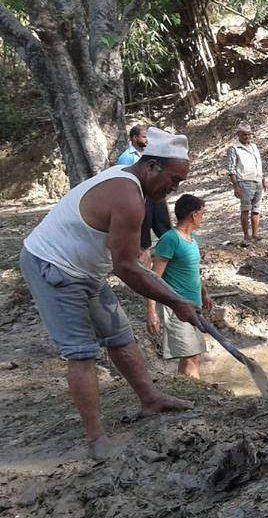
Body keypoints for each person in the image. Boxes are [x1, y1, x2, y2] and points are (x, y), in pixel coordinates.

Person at [19, 128, 198, 459]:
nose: (174, 189)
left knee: (120, 336)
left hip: (87, 268)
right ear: (152, 166)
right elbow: (126, 268)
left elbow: (128, 263)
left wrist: (174, 298)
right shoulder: (128, 198)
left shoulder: (130, 181)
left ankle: (151, 399)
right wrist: (175, 301)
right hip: (53, 266)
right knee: (81, 352)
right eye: (174, 180)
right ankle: (97, 440)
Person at [146, 194, 212, 379]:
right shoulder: (170, 239)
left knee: (194, 356)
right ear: (193, 215)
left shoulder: (192, 239)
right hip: (176, 309)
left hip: (194, 307)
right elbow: (153, 279)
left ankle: (186, 388)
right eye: (202, 213)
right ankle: (196, 392)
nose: (203, 217)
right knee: (190, 357)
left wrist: (205, 294)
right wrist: (151, 311)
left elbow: (194, 270)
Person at [117, 126, 173, 265]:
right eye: (143, 136)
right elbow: (124, 182)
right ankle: (145, 265)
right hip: (141, 200)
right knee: (144, 238)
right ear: (135, 138)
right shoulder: (126, 158)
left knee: (165, 229)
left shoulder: (150, 154)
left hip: (155, 196)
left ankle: (172, 259)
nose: (147, 140)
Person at [225, 122, 268, 242]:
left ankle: (255, 234)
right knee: (245, 209)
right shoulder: (234, 149)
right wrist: (236, 186)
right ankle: (246, 235)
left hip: (257, 180)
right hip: (245, 182)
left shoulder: (254, 147)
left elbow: (258, 165)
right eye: (244, 134)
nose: (247, 137)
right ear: (238, 134)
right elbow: (231, 169)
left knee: (256, 209)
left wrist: (263, 179)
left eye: (249, 134)